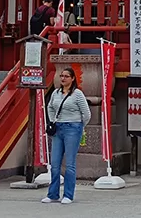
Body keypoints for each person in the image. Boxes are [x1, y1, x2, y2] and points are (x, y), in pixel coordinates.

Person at [42, 67, 91, 205]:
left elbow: (86, 113)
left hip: (72, 128)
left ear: (73, 78)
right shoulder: (56, 93)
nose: (63, 78)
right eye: (61, 76)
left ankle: (68, 194)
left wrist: (79, 126)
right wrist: (52, 121)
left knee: (70, 164)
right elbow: (50, 107)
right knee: (55, 163)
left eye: (66, 76)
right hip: (58, 128)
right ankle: (53, 194)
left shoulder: (77, 94)